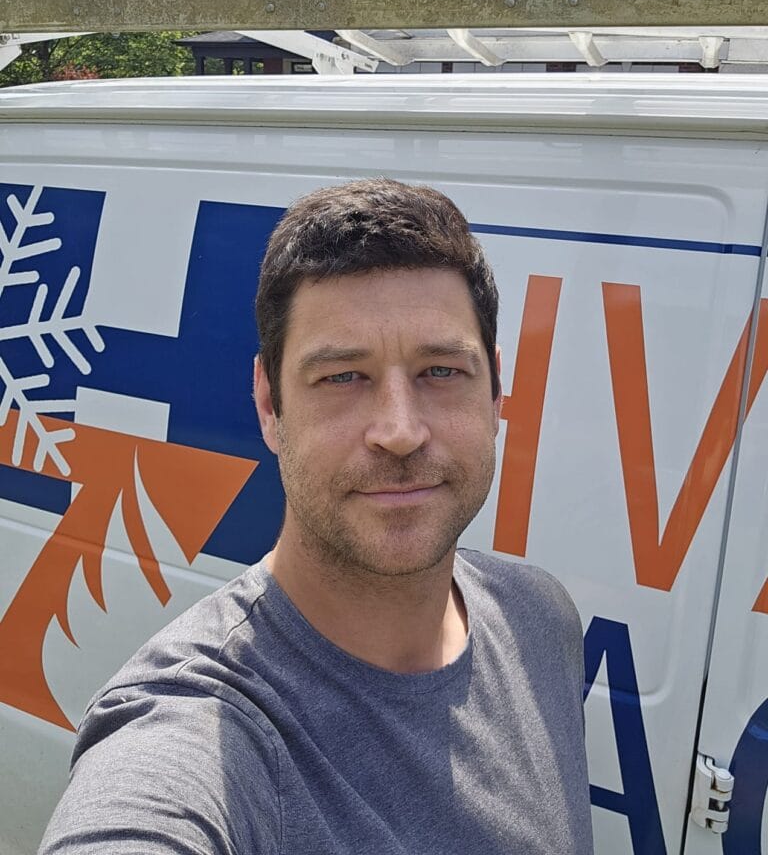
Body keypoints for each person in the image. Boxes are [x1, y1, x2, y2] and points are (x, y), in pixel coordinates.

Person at [40, 179, 593, 854]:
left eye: (441, 371)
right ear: (269, 406)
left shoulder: (540, 618)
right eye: (342, 377)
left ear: (496, 392)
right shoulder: (204, 725)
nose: (400, 430)